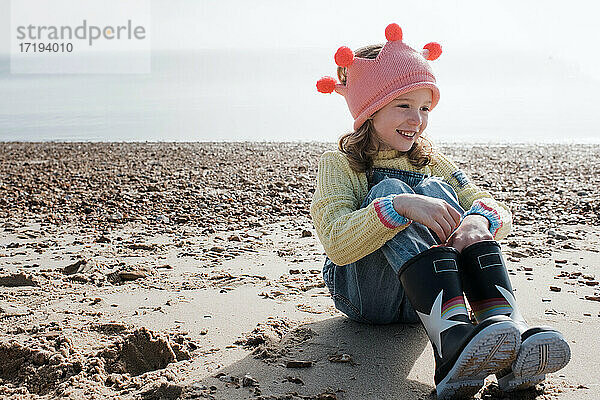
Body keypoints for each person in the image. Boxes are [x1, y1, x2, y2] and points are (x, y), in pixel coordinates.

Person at [311, 23, 570, 399]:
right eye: (404, 105)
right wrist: (398, 206)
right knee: (391, 190)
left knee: (437, 190)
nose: (417, 119)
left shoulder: (433, 161)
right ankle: (451, 342)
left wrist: (478, 220)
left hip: (429, 302)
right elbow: (336, 243)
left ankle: (508, 332)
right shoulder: (341, 164)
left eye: (424, 108)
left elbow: (492, 203)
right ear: (369, 109)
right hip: (367, 296)